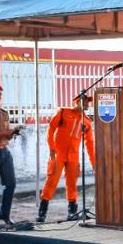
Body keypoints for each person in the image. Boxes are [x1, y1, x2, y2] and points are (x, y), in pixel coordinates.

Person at [36, 93, 95, 222]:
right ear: (77, 101)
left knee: (72, 184)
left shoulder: (87, 121)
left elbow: (90, 143)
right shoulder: (63, 112)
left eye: (88, 101)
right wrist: (52, 148)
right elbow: (50, 129)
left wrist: (94, 163)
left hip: (73, 156)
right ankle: (42, 213)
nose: (87, 104)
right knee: (51, 181)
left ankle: (72, 212)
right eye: (85, 101)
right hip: (58, 154)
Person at [0, 83, 23, 226]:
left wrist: (13, 132)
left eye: (0, 95)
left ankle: (5, 215)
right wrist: (4, 133)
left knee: (10, 184)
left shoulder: (4, 113)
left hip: (4, 150)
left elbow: (6, 136)